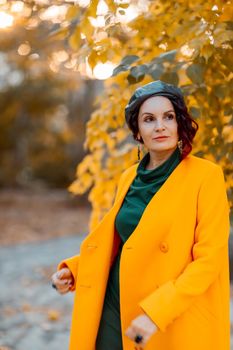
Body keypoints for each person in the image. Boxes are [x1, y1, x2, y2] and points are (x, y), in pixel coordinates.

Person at [51, 80, 230, 350]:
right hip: (116, 302)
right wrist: (76, 270)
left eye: (168, 117)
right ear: (138, 132)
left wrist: (156, 312)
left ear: (180, 123)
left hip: (170, 312)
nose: (160, 126)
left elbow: (209, 260)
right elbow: (123, 243)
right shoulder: (128, 177)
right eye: (149, 119)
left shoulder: (206, 176)